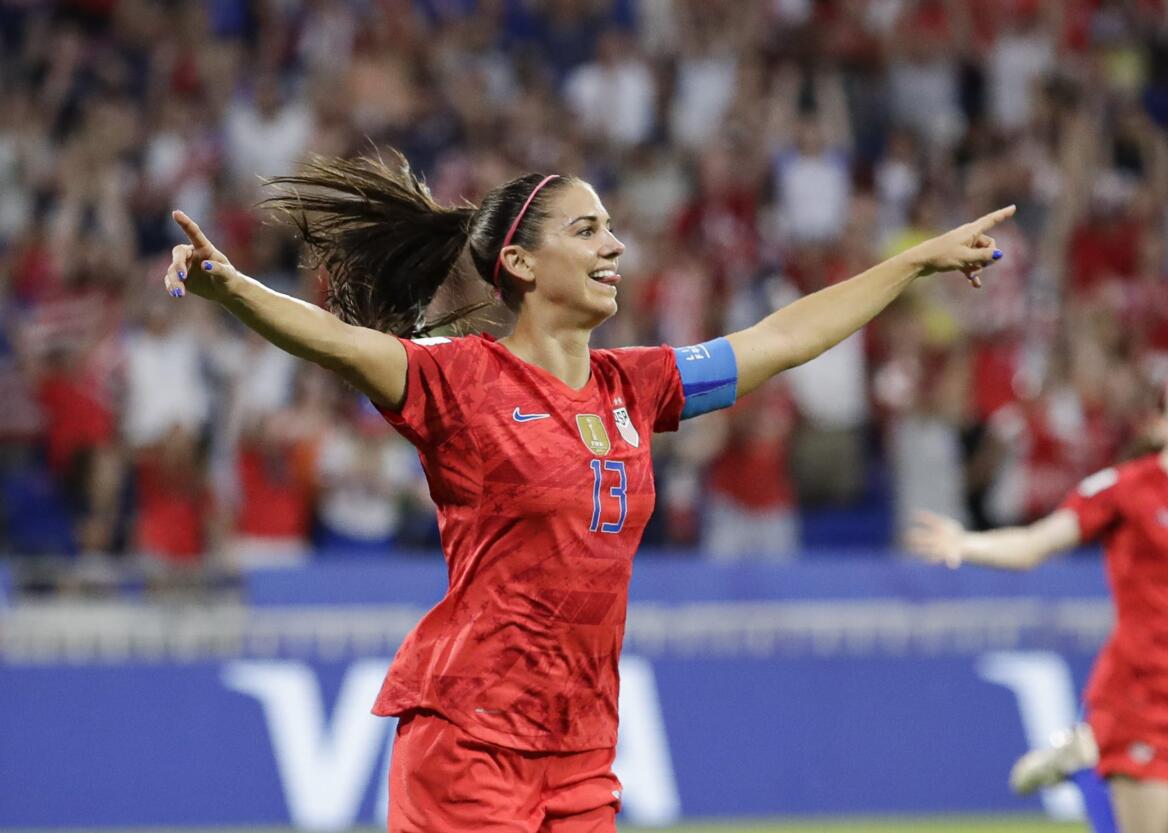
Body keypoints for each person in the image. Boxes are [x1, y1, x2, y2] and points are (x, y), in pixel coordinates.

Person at [162, 152, 1011, 833]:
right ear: (522, 262)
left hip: (582, 749)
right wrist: (233, 288)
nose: (614, 245)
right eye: (587, 228)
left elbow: (781, 338)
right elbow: (340, 344)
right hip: (470, 739)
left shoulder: (635, 388)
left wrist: (913, 263)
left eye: (612, 228)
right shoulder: (458, 380)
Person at [907, 360, 1168, 833]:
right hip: (1141, 702)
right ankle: (1083, 751)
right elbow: (1037, 544)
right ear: (1162, 422)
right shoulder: (1124, 489)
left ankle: (1078, 752)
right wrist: (968, 543)